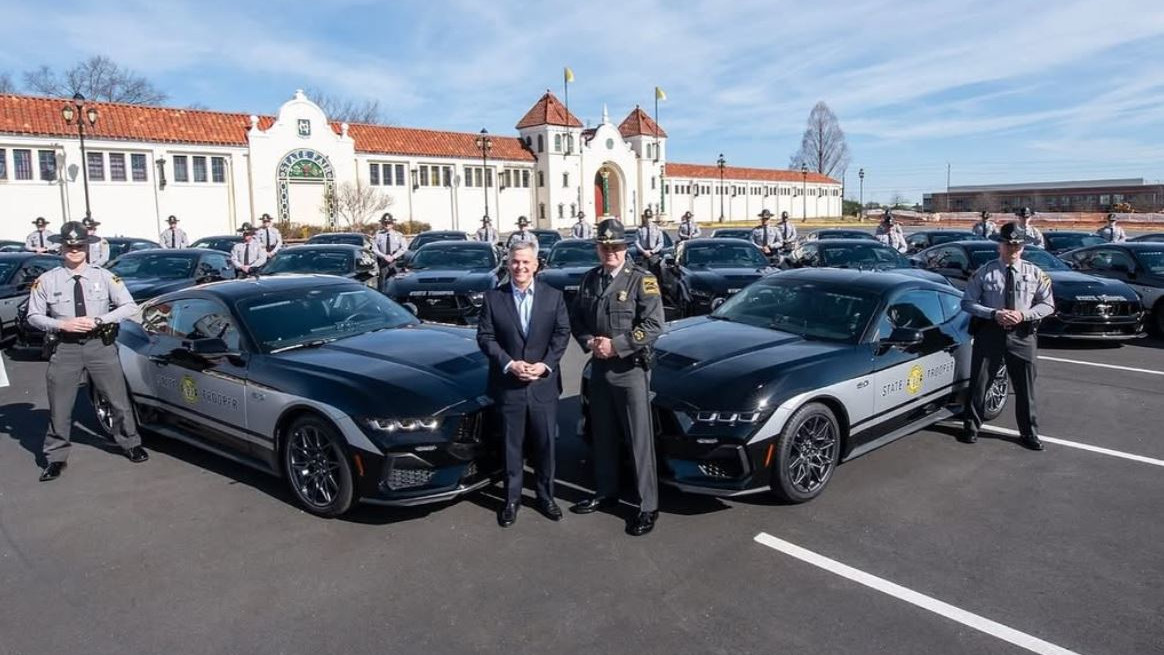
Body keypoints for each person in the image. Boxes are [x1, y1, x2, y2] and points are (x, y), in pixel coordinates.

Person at [27, 221, 148, 481]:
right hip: (65, 347)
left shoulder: (104, 277)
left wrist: (100, 320)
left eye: (79, 246)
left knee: (117, 399)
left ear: (87, 247)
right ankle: (56, 457)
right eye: (69, 246)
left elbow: (129, 306)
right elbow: (33, 316)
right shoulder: (46, 280)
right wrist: (62, 324)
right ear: (61, 248)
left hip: (99, 345)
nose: (74, 251)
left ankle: (130, 443)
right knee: (60, 405)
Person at [569, 218, 665, 536]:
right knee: (603, 435)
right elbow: (577, 319)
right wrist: (590, 342)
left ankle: (647, 506)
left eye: (616, 246)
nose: (609, 251)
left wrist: (617, 345)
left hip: (629, 370)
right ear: (598, 248)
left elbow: (653, 325)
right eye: (604, 246)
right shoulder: (589, 279)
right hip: (599, 369)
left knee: (639, 440)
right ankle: (606, 492)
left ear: (626, 248)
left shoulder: (641, 279)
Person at [476, 241, 571, 527]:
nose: (520, 267)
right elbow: (485, 337)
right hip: (509, 385)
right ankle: (511, 500)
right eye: (515, 261)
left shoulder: (553, 296)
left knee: (545, 445)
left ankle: (546, 496)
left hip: (543, 385)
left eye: (526, 262)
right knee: (511, 446)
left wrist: (545, 365)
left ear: (536, 265)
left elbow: (562, 333)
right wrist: (509, 363)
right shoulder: (493, 297)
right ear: (508, 264)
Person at [960, 222, 1054, 451]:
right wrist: (993, 313)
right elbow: (967, 302)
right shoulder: (985, 272)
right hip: (990, 332)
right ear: (999, 246)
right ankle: (971, 427)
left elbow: (1048, 305)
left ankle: (1029, 433)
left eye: (1016, 245)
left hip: (1022, 335)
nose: (1012, 249)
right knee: (980, 383)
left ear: (1023, 247)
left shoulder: (1035, 273)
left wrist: (1023, 315)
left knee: (1025, 388)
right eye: (1008, 244)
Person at [372, 213, 407, 286]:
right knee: (382, 284)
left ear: (392, 224)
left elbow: (404, 248)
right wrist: (384, 256)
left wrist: (394, 256)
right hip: (383, 263)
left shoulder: (399, 235)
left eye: (389, 222)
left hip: (396, 263)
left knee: (397, 284)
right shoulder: (378, 235)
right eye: (385, 222)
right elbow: (374, 249)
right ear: (382, 223)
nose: (387, 224)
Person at [634, 207, 664, 272]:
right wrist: (644, 251)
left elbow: (661, 243)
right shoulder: (639, 229)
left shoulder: (657, 229)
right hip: (642, 255)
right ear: (644, 217)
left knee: (655, 274)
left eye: (650, 217)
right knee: (642, 274)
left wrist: (652, 251)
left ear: (652, 217)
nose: (648, 219)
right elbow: (636, 242)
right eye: (647, 217)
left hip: (654, 255)